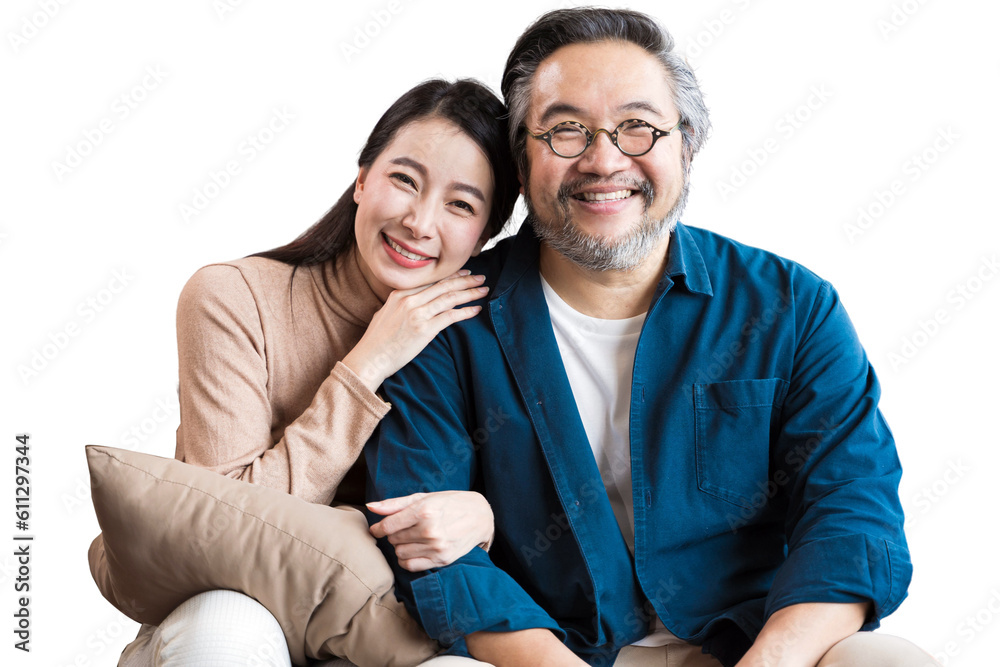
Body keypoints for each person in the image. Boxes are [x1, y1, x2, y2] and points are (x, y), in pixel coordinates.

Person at [366, 9, 940, 667]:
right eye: (565, 130)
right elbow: (432, 555)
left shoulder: (791, 306)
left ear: (686, 145)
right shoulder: (447, 319)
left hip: (759, 643)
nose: (605, 160)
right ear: (521, 161)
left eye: (638, 127)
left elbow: (853, 517)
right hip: (551, 650)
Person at [118, 78, 520, 666]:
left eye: (460, 205)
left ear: (485, 235)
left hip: (390, 630)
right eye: (404, 180)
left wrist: (486, 518)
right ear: (361, 180)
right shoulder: (233, 298)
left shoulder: (485, 334)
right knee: (226, 627)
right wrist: (370, 361)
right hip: (239, 607)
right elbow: (224, 530)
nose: (419, 221)